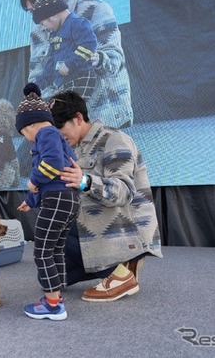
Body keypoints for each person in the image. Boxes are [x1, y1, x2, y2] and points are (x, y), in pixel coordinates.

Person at [48, 90, 162, 302]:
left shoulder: (115, 139)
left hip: (120, 225)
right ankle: (113, 266)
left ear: (78, 118)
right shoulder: (74, 146)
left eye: (61, 128)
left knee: (55, 239)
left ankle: (123, 267)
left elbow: (124, 192)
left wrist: (85, 182)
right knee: (50, 276)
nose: (59, 136)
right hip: (92, 223)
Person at [20, 0, 133, 129]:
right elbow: (37, 74)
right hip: (65, 121)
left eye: (38, 9)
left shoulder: (95, 9)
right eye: (31, 12)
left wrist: (90, 59)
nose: (37, 20)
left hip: (105, 116)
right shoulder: (38, 32)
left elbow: (116, 60)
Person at [15, 83, 80, 321]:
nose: (27, 139)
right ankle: (57, 291)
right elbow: (56, 172)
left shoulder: (46, 133)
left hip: (57, 200)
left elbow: (50, 165)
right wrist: (31, 201)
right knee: (57, 249)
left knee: (42, 251)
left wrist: (33, 181)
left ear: (30, 124)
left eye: (24, 133)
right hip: (68, 200)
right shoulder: (55, 137)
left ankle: (53, 305)